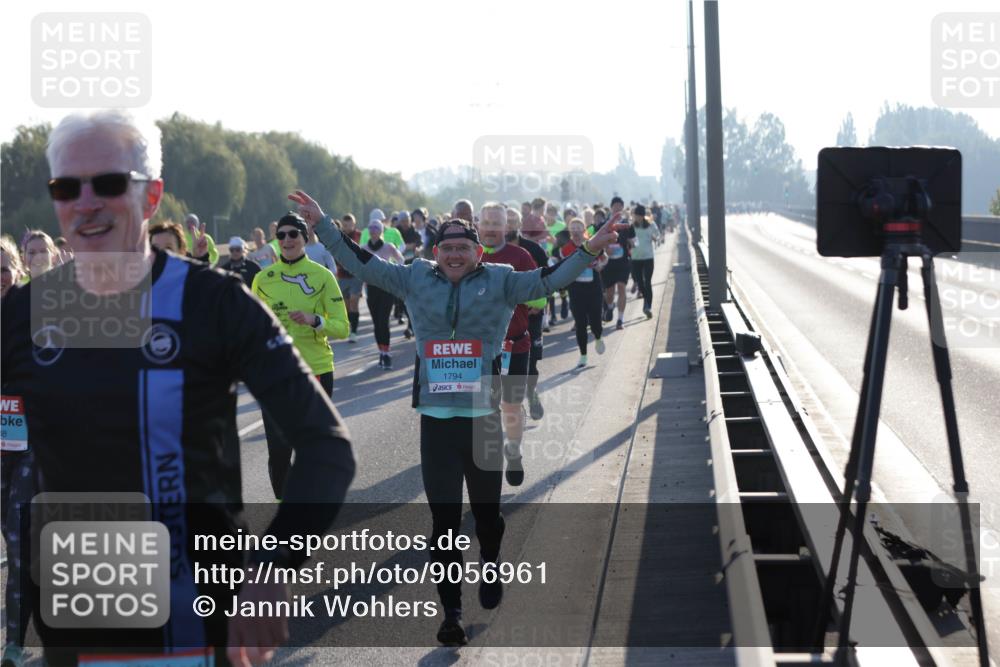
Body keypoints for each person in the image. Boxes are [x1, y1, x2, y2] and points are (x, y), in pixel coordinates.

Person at [1, 110, 355, 667]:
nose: (85, 203)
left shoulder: (216, 302)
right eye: (67, 188)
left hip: (203, 627)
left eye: (108, 183)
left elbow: (326, 445)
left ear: (151, 196)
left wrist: (272, 568)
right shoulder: (23, 315)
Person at [290, 188, 619, 646]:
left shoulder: (503, 280)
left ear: (478, 252)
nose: (455, 255)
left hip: (484, 419)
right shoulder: (414, 278)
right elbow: (362, 263)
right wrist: (323, 225)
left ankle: (491, 561)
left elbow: (548, 280)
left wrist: (586, 249)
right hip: (437, 424)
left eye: (463, 247)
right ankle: (452, 614)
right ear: (436, 251)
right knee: (443, 526)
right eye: (447, 248)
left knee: (487, 518)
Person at [251, 212, 350, 499]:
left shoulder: (323, 276)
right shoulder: (263, 279)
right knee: (279, 451)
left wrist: (315, 320)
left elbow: (342, 328)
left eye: (293, 234)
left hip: (315, 371)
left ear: (304, 237)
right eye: (281, 235)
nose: (287, 240)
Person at [478, 203, 546, 487]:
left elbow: (539, 295)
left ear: (506, 227)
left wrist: (532, 300)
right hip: (479, 350)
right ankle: (485, 467)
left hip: (514, 346)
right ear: (478, 225)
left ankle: (514, 451)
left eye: (496, 223)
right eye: (486, 223)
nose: (491, 228)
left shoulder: (520, 256)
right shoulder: (469, 255)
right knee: (482, 409)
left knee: (510, 406)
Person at [0, 235, 31, 667]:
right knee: (12, 536)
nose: (0, 277)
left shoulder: (36, 312)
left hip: (31, 441)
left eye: (4, 267)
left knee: (20, 537)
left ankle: (14, 642)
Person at [505, 208, 549, 420]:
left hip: (531, 315)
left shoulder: (533, 250)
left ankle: (531, 394)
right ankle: (511, 405)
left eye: (513, 221)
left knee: (530, 362)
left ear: (519, 224)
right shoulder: (490, 251)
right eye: (506, 221)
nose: (509, 225)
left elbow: (548, 278)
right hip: (504, 319)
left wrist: (540, 303)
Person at [560, 219, 608, 367]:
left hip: (593, 287)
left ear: (583, 230)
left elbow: (605, 258)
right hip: (576, 289)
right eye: (573, 228)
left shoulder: (592, 244)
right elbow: (561, 265)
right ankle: (583, 355)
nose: (575, 230)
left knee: (595, 321)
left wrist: (600, 265)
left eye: (578, 228)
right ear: (570, 231)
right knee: (580, 323)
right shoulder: (566, 249)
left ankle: (598, 336)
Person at [362, 219, 405, 368]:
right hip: (372, 288)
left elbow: (401, 259)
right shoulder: (363, 248)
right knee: (376, 323)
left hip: (386, 288)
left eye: (376, 228)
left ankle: (386, 354)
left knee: (383, 321)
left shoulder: (388, 246)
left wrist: (393, 273)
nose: (373, 230)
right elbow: (358, 265)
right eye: (371, 228)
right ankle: (381, 351)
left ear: (381, 231)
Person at [599, 197, 635, 330]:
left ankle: (620, 319)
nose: (618, 208)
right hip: (608, 264)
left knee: (621, 287)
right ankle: (610, 306)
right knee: (609, 293)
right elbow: (596, 241)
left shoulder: (627, 225)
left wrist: (633, 244)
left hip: (623, 262)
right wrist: (605, 248)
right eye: (615, 206)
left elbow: (634, 240)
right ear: (611, 207)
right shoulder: (604, 224)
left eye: (620, 206)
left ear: (623, 208)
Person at [629, 204, 660, 318]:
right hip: (635, 258)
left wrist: (655, 238)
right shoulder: (631, 226)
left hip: (648, 258)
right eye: (635, 215)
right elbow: (626, 238)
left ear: (642, 216)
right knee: (640, 283)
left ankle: (648, 306)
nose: (636, 217)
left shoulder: (651, 224)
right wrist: (629, 242)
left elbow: (658, 235)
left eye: (638, 215)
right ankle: (646, 302)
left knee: (647, 282)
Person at [336, 214, 363, 343]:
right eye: (345, 225)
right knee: (346, 306)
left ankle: (354, 332)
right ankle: (351, 326)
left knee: (354, 301)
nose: (347, 227)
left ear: (354, 224)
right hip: (342, 275)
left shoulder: (359, 235)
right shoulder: (338, 236)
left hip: (356, 275)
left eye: (350, 225)